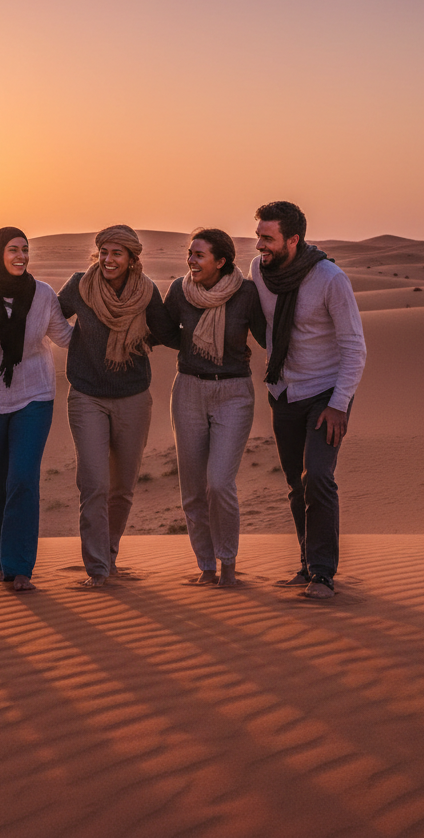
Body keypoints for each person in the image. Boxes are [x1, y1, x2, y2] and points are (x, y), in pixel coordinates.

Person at [252, 201, 366, 600]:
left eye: (268, 238)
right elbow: (265, 326)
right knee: (295, 484)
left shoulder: (329, 278)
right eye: (258, 236)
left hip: (325, 395)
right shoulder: (258, 271)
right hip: (283, 392)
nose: (260, 245)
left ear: (294, 239)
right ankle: (305, 564)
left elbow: (354, 346)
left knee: (317, 476)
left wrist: (339, 403)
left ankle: (322, 574)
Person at [0, 227, 72, 592]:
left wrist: (108, 323)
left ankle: (20, 567)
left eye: (25, 250)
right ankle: (2, 562)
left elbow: (65, 337)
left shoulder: (43, 294)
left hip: (34, 396)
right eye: (13, 250)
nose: (21, 256)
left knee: (22, 478)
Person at [58, 225, 178, 586]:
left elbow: (168, 334)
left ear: (131, 258)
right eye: (104, 252)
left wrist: (138, 338)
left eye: (117, 254)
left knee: (122, 486)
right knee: (93, 484)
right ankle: (96, 569)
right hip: (87, 396)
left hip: (133, 398)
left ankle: (109, 554)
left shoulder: (146, 292)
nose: (109, 260)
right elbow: (47, 317)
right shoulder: (80, 285)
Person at [163, 229, 266, 587]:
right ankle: (206, 566)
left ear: (221, 262)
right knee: (192, 489)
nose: (191, 260)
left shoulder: (247, 293)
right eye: (190, 253)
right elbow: (162, 329)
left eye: (199, 255)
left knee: (219, 483)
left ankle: (229, 564)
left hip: (234, 391)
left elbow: (269, 336)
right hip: (189, 388)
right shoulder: (179, 290)